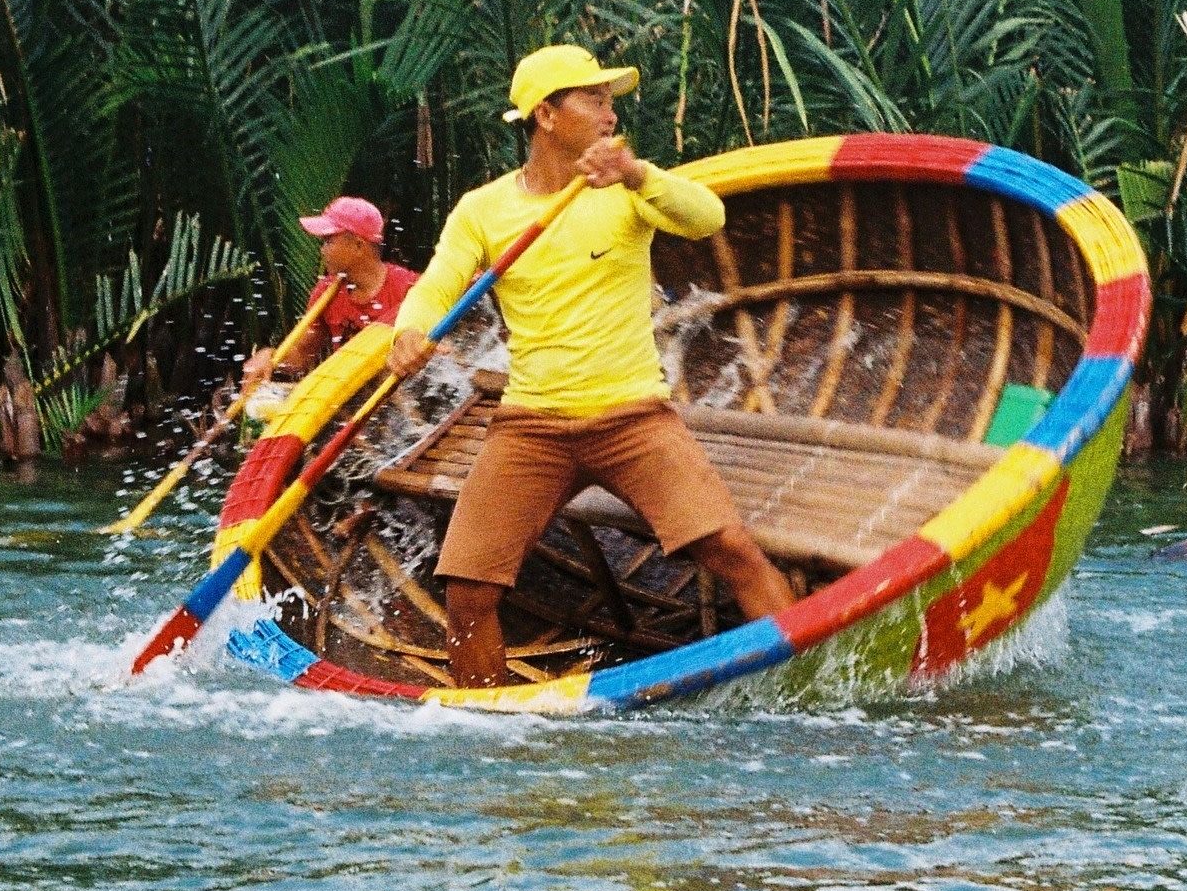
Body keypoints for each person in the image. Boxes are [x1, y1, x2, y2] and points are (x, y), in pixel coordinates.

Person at [386, 44, 797, 686]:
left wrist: (638, 176)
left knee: (731, 550)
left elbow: (706, 216)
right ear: (546, 115)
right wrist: (409, 330)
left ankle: (803, 680)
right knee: (467, 590)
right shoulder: (484, 209)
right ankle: (490, 730)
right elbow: (438, 284)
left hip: (631, 414)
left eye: (611, 102)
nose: (610, 115)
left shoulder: (629, 188)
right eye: (595, 100)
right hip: (532, 424)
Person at [244, 196, 419, 386]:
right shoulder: (325, 293)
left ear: (358, 246)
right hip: (351, 395)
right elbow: (302, 354)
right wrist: (270, 357)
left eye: (328, 241)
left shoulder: (410, 288)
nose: (322, 251)